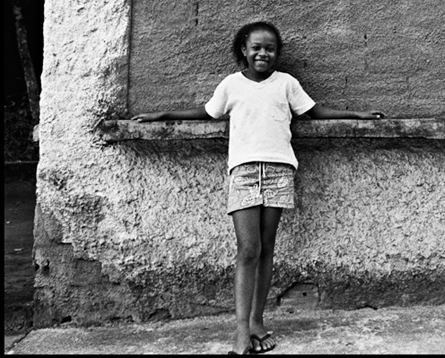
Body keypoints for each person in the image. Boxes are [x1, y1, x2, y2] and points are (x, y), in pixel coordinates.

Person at [132, 20, 385, 355]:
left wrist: (357, 114)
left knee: (266, 249)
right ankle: (240, 331)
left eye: (270, 48)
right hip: (244, 172)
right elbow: (207, 113)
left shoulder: (287, 84)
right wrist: (161, 114)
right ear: (244, 50)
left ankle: (257, 321)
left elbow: (314, 111)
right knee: (248, 249)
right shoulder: (231, 85)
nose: (263, 53)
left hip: (280, 170)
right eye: (257, 47)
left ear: (277, 53)